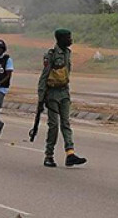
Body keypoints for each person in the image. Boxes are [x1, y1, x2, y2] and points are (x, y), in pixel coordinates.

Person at [38, 29, 87, 168]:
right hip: (52, 95)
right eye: (68, 37)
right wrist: (41, 98)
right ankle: (49, 155)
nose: (71, 40)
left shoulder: (67, 53)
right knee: (53, 126)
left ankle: (70, 154)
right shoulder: (51, 55)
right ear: (60, 39)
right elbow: (44, 76)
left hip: (64, 93)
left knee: (66, 124)